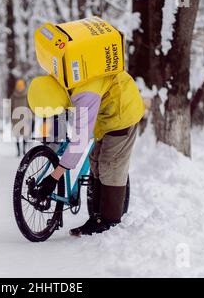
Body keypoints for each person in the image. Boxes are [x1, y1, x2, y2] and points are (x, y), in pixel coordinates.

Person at [27, 71, 145, 236]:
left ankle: (108, 221)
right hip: (105, 114)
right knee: (95, 161)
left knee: (110, 164)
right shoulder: (60, 76)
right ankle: (96, 217)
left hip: (122, 110)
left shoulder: (84, 95)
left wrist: (54, 177)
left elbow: (79, 142)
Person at [11, 79, 32, 157]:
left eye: (21, 86)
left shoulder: (26, 95)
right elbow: (11, 106)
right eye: (19, 86)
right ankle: (19, 151)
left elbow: (29, 106)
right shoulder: (14, 96)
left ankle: (23, 151)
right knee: (18, 135)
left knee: (24, 135)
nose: (20, 87)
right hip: (17, 119)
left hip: (24, 118)